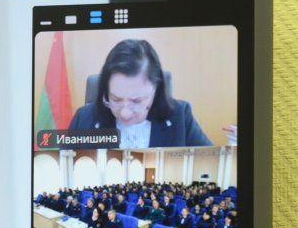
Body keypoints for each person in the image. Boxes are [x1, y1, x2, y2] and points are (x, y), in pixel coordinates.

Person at [64, 39, 213, 148]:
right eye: (116, 99)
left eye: (136, 101)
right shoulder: (83, 119)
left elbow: (210, 162)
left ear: (156, 90)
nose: (125, 114)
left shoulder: (181, 116)